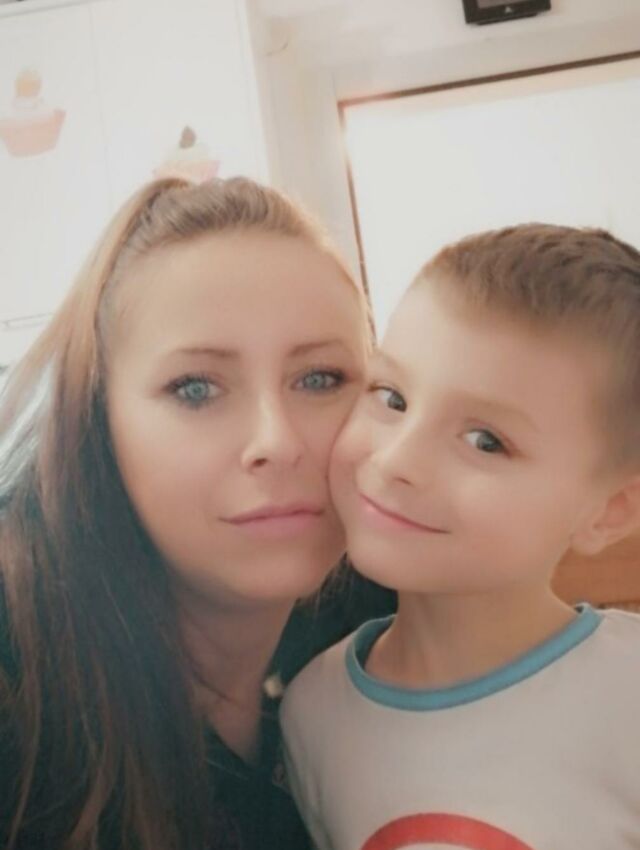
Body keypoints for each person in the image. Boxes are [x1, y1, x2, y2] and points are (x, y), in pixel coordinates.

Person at [0, 176, 394, 850]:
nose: (276, 441)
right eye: (195, 389)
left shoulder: (394, 620)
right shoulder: (19, 681)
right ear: (98, 421)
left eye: (320, 379)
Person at [282, 224, 640, 850]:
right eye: (391, 397)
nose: (396, 460)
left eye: (485, 441)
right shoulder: (312, 713)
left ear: (609, 512)